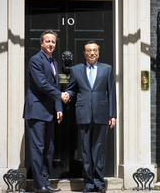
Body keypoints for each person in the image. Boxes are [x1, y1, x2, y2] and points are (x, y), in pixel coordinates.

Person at [62, 40, 117, 192]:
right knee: (85, 150)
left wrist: (113, 115)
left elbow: (112, 92)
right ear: (84, 53)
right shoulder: (76, 70)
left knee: (99, 150)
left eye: (94, 50)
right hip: (83, 114)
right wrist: (68, 95)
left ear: (98, 53)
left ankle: (99, 183)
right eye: (89, 51)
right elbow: (72, 88)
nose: (92, 53)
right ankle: (88, 183)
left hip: (102, 114)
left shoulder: (107, 69)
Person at [23, 30, 63, 193]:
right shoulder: (35, 60)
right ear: (41, 43)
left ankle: (45, 182)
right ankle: (39, 185)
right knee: (38, 148)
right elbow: (42, 84)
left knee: (49, 148)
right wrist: (61, 95)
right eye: (47, 41)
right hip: (37, 111)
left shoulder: (54, 62)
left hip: (50, 111)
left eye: (53, 41)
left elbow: (56, 86)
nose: (51, 44)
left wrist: (59, 107)